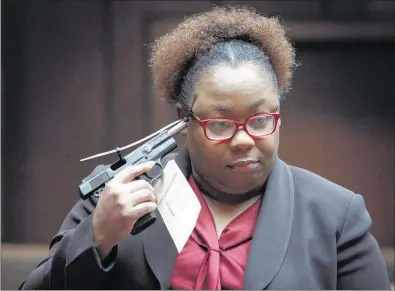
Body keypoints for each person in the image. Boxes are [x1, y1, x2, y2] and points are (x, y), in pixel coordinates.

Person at [19, 5, 390, 290]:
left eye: (261, 120)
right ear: (184, 120)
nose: (244, 140)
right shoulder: (117, 197)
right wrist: (97, 238)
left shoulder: (338, 217)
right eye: (221, 124)